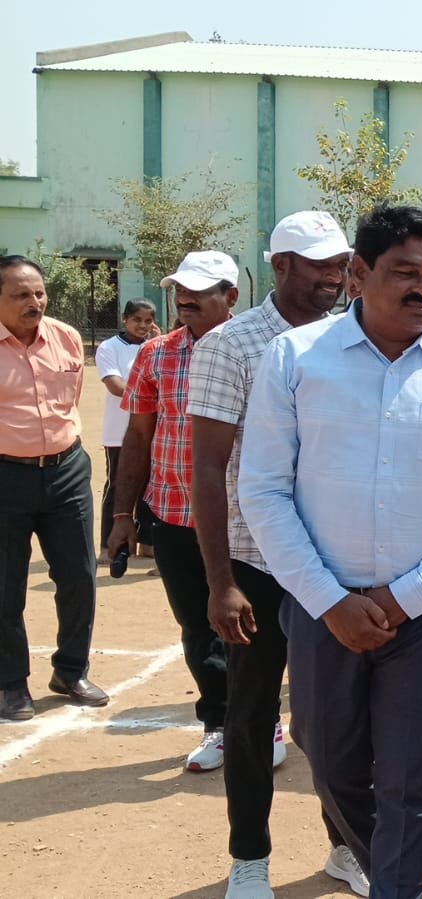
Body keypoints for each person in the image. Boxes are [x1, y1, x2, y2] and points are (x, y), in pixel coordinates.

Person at [239, 205, 422, 899]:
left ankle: (397, 889)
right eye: (405, 273)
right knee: (330, 761)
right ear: (357, 274)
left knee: (413, 776)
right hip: (323, 607)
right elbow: (263, 489)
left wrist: (404, 598)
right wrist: (330, 600)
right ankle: (389, 872)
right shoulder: (296, 358)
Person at [186, 210, 363, 898]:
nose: (333, 277)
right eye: (318, 265)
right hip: (257, 562)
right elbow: (208, 468)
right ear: (279, 265)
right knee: (253, 714)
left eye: (339, 264)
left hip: (336, 563)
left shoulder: (352, 336)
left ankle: (345, 846)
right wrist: (220, 582)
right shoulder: (231, 346)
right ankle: (250, 857)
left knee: (339, 718)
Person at [107, 252, 238, 772]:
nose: (184, 299)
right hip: (175, 515)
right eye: (180, 289)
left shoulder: (258, 349)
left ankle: (260, 720)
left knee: (253, 624)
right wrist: (123, 515)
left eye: (199, 290)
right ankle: (219, 725)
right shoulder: (155, 354)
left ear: (230, 296)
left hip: (245, 521)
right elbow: (138, 437)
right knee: (197, 626)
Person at [0, 255, 105, 721]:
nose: (35, 302)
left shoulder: (65, 337)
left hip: (66, 470)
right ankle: (10, 683)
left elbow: (71, 399)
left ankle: (71, 670)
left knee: (80, 575)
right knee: (6, 585)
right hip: (5, 475)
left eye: (39, 293)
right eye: (21, 295)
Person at [95, 299, 157, 563]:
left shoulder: (156, 347)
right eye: (137, 320)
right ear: (125, 319)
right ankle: (107, 546)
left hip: (152, 429)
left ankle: (147, 543)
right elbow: (115, 386)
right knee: (119, 486)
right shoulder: (109, 347)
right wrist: (153, 396)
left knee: (150, 487)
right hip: (119, 431)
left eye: (148, 321)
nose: (142, 325)